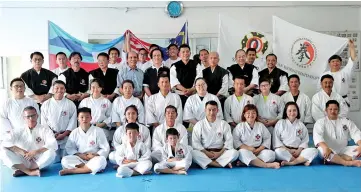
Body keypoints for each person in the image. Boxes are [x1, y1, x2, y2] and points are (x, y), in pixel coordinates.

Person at [1, 106, 57, 177]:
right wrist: (22, 152)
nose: (31, 119)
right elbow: (5, 142)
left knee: (52, 152)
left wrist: (35, 152)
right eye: (28, 117)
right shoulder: (18, 130)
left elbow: (53, 143)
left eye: (33, 116)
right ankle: (29, 171)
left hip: (39, 160)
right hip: (23, 159)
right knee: (3, 149)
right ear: (24, 118)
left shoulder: (45, 129)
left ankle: (24, 170)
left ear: (37, 116)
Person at [59, 107, 110, 176]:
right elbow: (69, 148)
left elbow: (105, 148)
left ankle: (74, 171)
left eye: (87, 117)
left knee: (102, 160)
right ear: (78, 118)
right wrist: (80, 155)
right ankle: (89, 168)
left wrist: (95, 155)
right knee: (65, 160)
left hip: (94, 158)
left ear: (91, 118)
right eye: (82, 117)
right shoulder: (75, 132)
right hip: (80, 158)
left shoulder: (98, 131)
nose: (84, 119)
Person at [313, 100, 361, 167]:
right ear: (326, 110)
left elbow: (355, 132)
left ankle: (335, 160)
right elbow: (318, 136)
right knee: (321, 149)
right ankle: (346, 162)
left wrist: (360, 145)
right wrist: (326, 148)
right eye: (330, 109)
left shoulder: (346, 121)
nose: (333, 111)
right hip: (328, 149)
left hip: (343, 150)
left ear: (338, 110)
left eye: (335, 109)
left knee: (359, 148)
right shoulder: (320, 122)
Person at [192, 101, 238, 169]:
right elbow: (196, 143)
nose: (211, 112)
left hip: (220, 153)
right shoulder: (199, 125)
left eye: (214, 110)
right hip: (205, 153)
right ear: (205, 110)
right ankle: (219, 164)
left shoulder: (224, 124)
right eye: (209, 110)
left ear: (217, 110)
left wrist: (220, 153)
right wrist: (206, 153)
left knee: (235, 153)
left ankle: (208, 163)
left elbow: (229, 141)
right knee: (193, 153)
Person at [233, 104, 280, 169]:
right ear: (244, 115)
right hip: (246, 150)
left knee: (271, 154)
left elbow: (267, 138)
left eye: (253, 113)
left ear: (256, 115)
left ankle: (248, 162)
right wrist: (248, 148)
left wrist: (259, 149)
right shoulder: (239, 126)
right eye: (248, 113)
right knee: (242, 152)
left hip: (258, 151)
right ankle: (266, 165)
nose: (251, 115)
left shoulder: (260, 125)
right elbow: (236, 141)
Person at [41, 80, 77, 162]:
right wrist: (52, 134)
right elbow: (44, 122)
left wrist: (64, 134)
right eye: (56, 88)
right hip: (52, 136)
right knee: (53, 161)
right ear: (52, 90)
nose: (59, 90)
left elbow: (73, 121)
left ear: (65, 90)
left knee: (66, 159)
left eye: (62, 88)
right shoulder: (46, 104)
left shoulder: (70, 104)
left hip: (66, 136)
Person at [273, 102, 318, 166]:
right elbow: (276, 140)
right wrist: (289, 150)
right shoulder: (280, 123)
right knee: (278, 152)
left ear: (297, 112)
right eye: (289, 111)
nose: (292, 113)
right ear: (286, 112)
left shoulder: (301, 125)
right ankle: (301, 161)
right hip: (285, 150)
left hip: (298, 151)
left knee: (314, 151)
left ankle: (292, 162)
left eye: (294, 110)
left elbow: (305, 140)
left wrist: (299, 151)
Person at [318, 40, 356, 106]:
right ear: (329, 63)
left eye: (337, 61)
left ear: (341, 63)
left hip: (343, 101)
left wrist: (352, 47)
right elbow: (319, 88)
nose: (335, 63)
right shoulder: (324, 75)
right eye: (333, 61)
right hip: (328, 101)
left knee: (343, 116)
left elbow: (352, 60)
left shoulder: (345, 72)